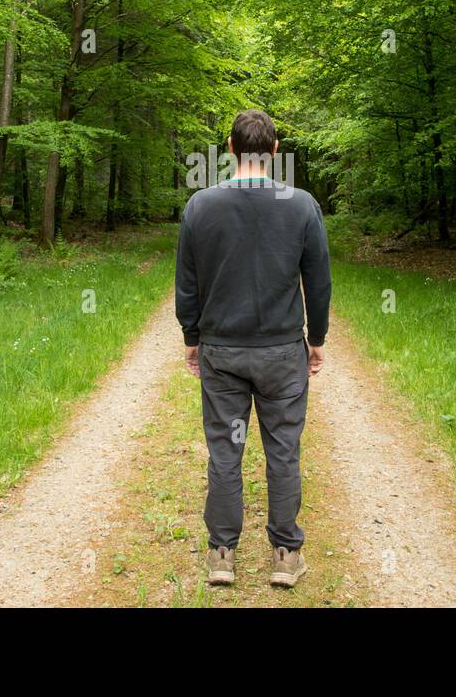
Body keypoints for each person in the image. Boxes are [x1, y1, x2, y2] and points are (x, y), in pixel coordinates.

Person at [174, 109, 331, 588]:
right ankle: (285, 554)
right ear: (275, 150)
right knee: (283, 450)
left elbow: (187, 281)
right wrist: (316, 339)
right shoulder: (301, 204)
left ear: (230, 147)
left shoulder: (201, 205)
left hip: (222, 349)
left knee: (225, 448)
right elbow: (318, 280)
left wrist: (192, 338)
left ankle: (222, 554)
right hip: (283, 352)